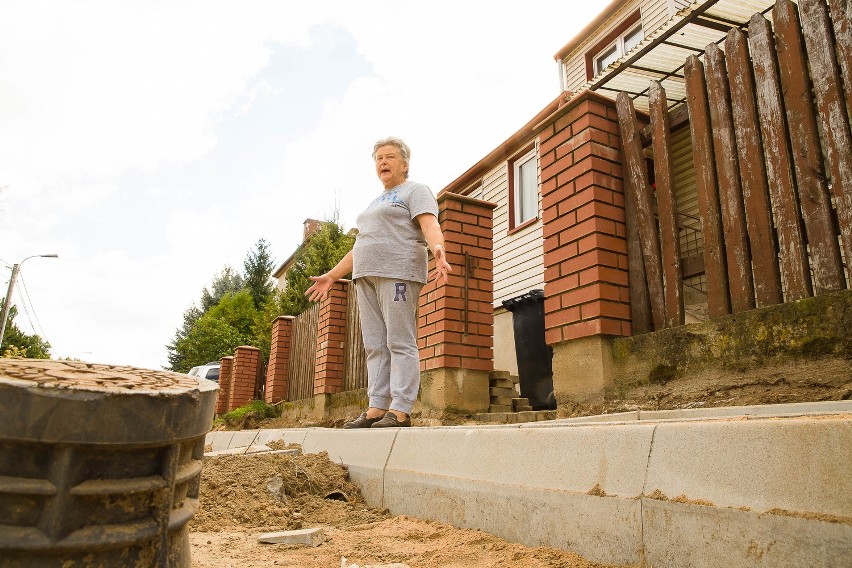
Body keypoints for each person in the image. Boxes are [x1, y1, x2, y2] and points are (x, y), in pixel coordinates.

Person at [305, 136, 451, 428]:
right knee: (374, 345)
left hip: (398, 272)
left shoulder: (416, 190)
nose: (383, 162)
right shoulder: (374, 203)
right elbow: (361, 245)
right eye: (378, 158)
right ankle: (376, 407)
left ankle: (401, 409)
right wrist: (333, 275)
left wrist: (438, 248)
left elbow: (430, 224)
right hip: (365, 278)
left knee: (399, 340)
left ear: (404, 164)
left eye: (390, 157)